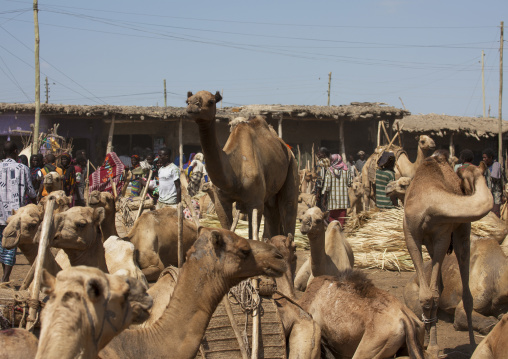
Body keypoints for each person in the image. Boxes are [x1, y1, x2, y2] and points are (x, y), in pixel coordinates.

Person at [0, 142, 36, 282]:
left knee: (2, 243)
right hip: (14, 215)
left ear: (4, 153)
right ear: (16, 152)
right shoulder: (23, 168)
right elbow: (31, 191)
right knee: (11, 244)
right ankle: (5, 277)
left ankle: (5, 276)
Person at [322, 154, 354, 226]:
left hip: (333, 201)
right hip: (343, 201)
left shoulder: (330, 171)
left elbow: (327, 187)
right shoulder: (346, 171)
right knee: (341, 222)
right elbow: (349, 183)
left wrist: (324, 200)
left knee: (332, 220)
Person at [482, 148, 503, 217]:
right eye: (483, 157)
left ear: (490, 157)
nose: (483, 159)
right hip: (486, 195)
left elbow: (501, 181)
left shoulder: (496, 167)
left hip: (496, 194)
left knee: (496, 213)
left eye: (485, 157)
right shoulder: (483, 168)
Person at [313, 147, 331, 212]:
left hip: (322, 189)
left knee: (321, 208)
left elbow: (321, 177)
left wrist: (318, 191)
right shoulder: (329, 161)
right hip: (328, 188)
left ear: (323, 154)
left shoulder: (321, 162)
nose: (318, 155)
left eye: (319, 153)